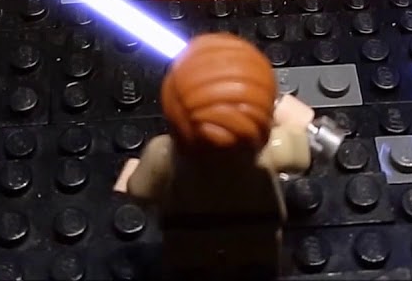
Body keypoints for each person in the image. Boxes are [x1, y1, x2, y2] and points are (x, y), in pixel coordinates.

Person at [118, 33, 311, 280]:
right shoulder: (277, 147)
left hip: (187, 233)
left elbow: (139, 190)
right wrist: (287, 116)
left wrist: (134, 175)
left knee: (188, 266)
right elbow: (302, 155)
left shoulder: (163, 154)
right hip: (257, 229)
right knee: (259, 263)